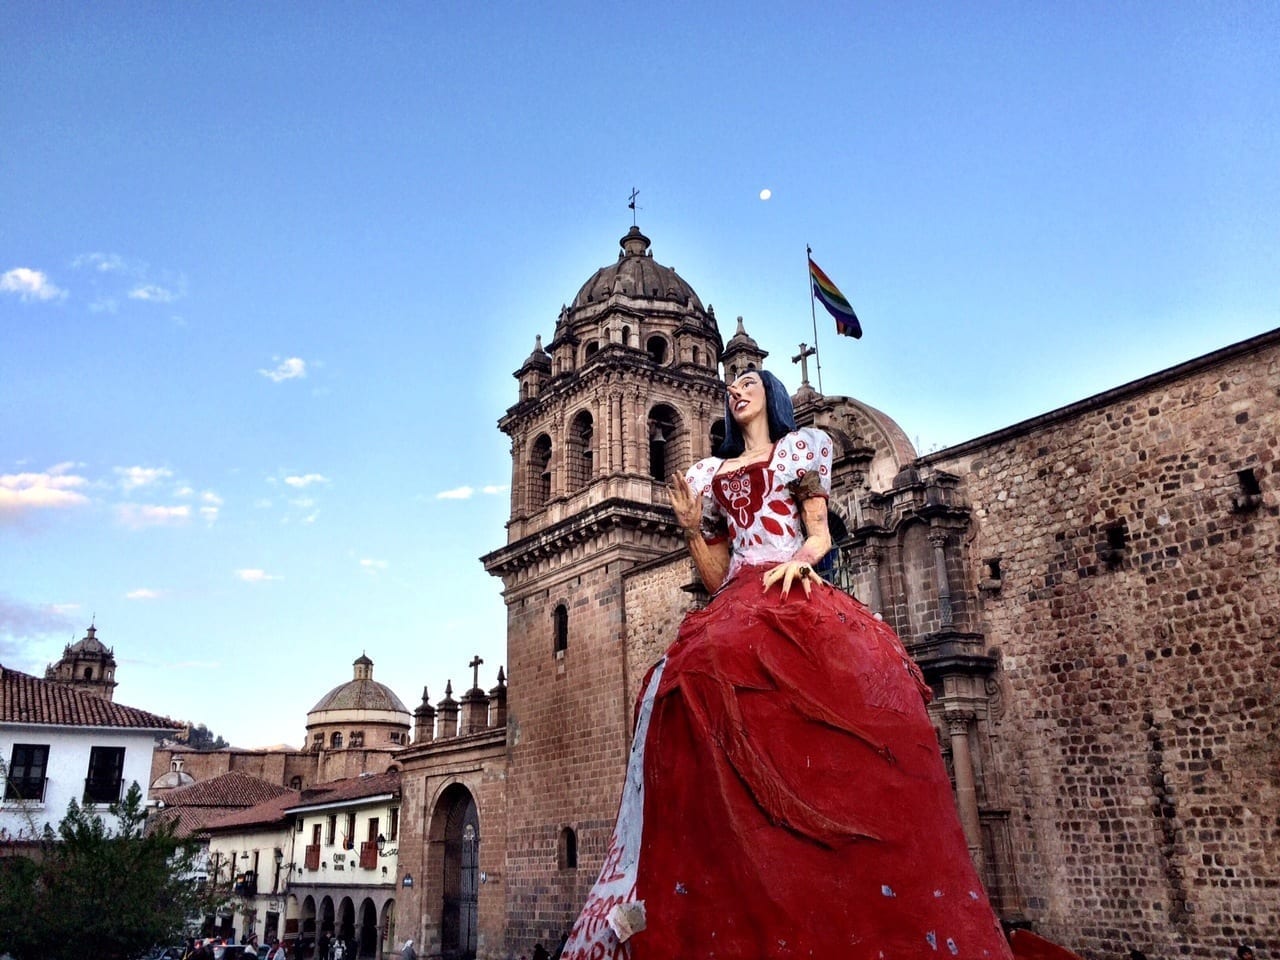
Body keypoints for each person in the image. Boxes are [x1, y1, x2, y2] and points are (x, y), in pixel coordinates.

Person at [559, 369, 1028, 959]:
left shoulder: (799, 450)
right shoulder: (712, 474)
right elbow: (714, 574)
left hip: (792, 581)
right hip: (738, 593)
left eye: (750, 381)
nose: (738, 391)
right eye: (731, 386)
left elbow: (819, 535)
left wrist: (801, 562)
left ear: (771, 394)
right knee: (679, 680)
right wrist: (686, 528)